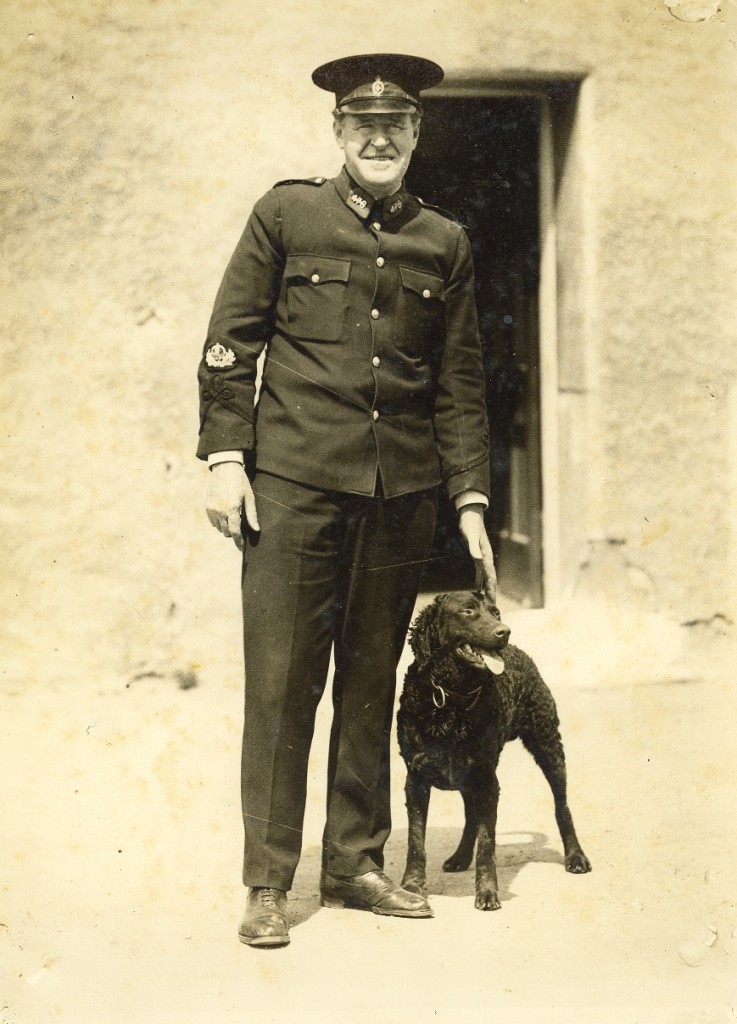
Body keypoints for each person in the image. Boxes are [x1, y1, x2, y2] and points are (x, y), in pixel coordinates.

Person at [197, 52, 497, 949]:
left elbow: (459, 380)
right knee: (282, 685)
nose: (378, 139)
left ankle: (355, 863)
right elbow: (230, 342)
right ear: (337, 131)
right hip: (292, 490)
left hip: (399, 496)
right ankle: (267, 881)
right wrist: (225, 458)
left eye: (394, 126)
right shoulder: (285, 215)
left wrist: (469, 496)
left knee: (369, 683)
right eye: (362, 126)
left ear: (416, 134)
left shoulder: (442, 241)